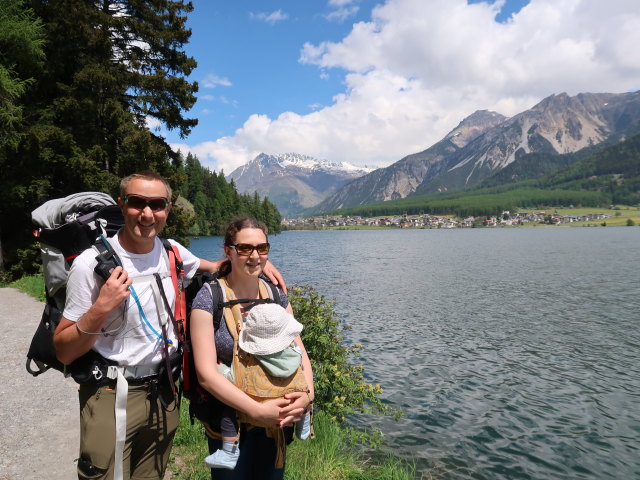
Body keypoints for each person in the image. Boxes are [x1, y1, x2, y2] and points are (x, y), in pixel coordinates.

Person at [52, 172, 286, 480]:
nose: (147, 214)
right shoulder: (90, 264)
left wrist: (254, 258)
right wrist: (101, 307)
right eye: (138, 203)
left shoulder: (171, 252)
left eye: (157, 204)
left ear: (168, 209)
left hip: (164, 392)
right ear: (122, 206)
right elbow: (63, 351)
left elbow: (218, 267)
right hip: (112, 391)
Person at [190, 217, 315, 480]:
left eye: (262, 248)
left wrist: (306, 397)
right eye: (245, 248)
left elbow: (299, 351)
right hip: (230, 428)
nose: (255, 256)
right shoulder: (209, 298)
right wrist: (257, 410)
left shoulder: (276, 295)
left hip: (276, 426)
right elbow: (206, 374)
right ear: (228, 251)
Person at [203, 302, 312, 470]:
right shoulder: (294, 353)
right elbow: (304, 369)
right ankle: (304, 423)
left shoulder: (249, 364)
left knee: (228, 412)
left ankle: (229, 452)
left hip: (255, 404)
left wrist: (221, 369)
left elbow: (232, 378)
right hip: (287, 402)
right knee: (302, 392)